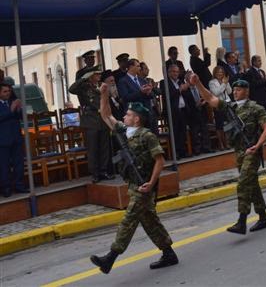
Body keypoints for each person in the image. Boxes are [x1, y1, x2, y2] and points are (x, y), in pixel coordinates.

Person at [90, 86, 178, 274]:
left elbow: (160, 161)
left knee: (129, 220)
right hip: (133, 185)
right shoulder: (122, 131)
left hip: (144, 186)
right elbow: (105, 114)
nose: (124, 117)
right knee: (149, 221)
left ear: (136, 119)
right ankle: (169, 253)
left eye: (128, 115)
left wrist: (152, 183)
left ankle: (110, 258)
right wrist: (104, 94)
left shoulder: (147, 136)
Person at [191, 75, 266, 235]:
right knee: (252, 184)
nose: (235, 92)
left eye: (239, 90)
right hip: (240, 152)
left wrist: (257, 146)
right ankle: (263, 217)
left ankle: (241, 221)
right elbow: (210, 98)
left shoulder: (256, 108)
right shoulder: (230, 107)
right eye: (234, 89)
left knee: (243, 183)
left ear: (246, 91)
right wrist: (198, 83)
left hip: (252, 151)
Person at [69, 65, 113, 183]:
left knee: (104, 147)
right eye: (96, 74)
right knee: (93, 148)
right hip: (91, 119)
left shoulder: (101, 86)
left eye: (99, 74)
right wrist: (83, 78)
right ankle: (95, 173)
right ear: (90, 76)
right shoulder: (84, 87)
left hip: (103, 118)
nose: (99, 76)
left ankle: (103, 171)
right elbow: (71, 89)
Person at [0, 83, 28, 197]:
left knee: (19, 163)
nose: (8, 93)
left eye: (9, 91)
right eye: (5, 91)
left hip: (16, 137)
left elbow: (21, 117)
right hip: (3, 140)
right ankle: (6, 188)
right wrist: (11, 110)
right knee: (4, 165)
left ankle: (19, 185)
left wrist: (19, 109)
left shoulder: (12, 102)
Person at [159, 65, 193, 159]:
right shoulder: (164, 82)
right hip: (172, 112)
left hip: (183, 109)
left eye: (177, 72)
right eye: (173, 72)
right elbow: (169, 95)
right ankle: (176, 153)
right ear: (169, 72)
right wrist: (180, 89)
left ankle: (182, 151)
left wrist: (185, 88)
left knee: (182, 131)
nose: (175, 74)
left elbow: (188, 94)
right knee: (175, 132)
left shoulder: (180, 81)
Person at [117, 59, 156, 133]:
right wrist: (140, 92)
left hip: (146, 113)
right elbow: (125, 97)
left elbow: (151, 95)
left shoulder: (142, 80)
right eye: (137, 66)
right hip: (134, 115)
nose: (140, 68)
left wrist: (149, 92)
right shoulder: (123, 81)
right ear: (131, 67)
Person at [209, 66, 232, 151]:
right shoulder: (212, 82)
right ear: (215, 73)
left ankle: (227, 142)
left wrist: (226, 83)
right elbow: (216, 93)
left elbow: (229, 91)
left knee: (227, 124)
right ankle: (221, 144)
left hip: (227, 103)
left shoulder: (224, 81)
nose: (220, 73)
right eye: (218, 72)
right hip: (218, 105)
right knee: (219, 125)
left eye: (222, 72)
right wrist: (223, 84)